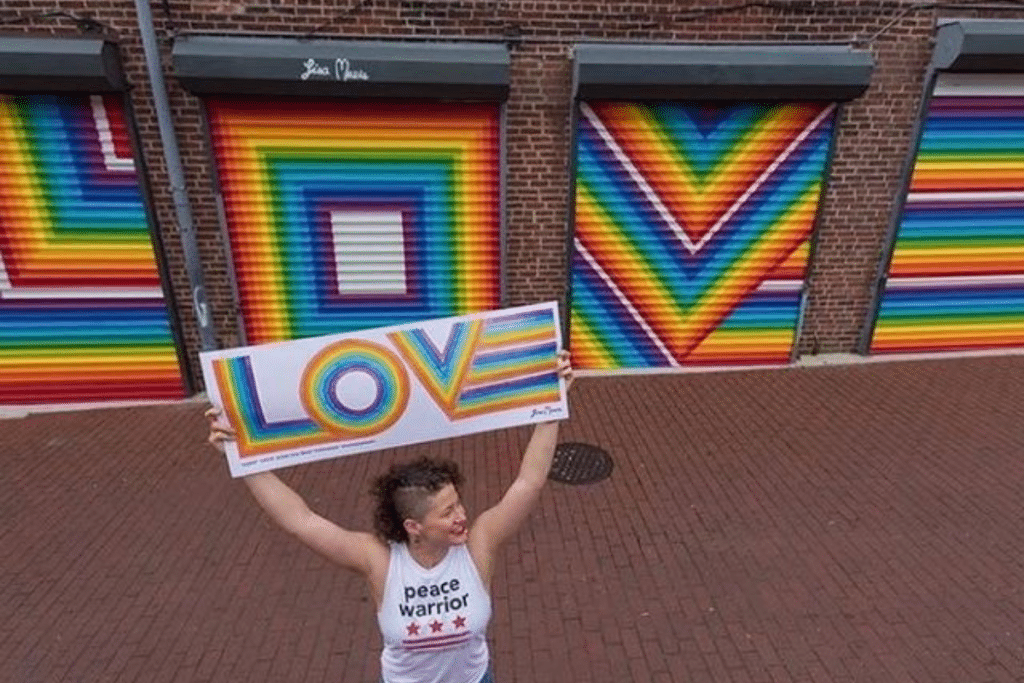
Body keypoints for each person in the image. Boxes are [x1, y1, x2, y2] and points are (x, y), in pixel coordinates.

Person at [206, 351, 574, 683]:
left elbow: (529, 482)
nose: (462, 516)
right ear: (413, 527)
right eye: (447, 512)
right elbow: (300, 519)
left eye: (458, 504)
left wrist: (551, 407)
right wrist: (242, 457)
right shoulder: (379, 560)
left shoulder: (480, 545)